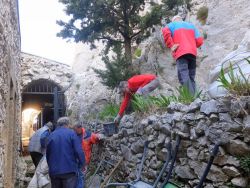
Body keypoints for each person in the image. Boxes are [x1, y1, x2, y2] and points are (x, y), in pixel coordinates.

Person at [162, 15, 204, 95]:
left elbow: (165, 31)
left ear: (174, 20)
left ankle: (191, 98)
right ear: (181, 19)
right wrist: (191, 44)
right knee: (191, 76)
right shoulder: (192, 26)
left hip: (181, 52)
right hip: (192, 54)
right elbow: (199, 41)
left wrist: (171, 45)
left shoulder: (171, 25)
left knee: (184, 75)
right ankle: (195, 97)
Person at [46, 117, 85, 188]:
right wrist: (83, 164)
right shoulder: (71, 134)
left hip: (54, 172)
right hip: (69, 171)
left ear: (58, 124)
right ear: (67, 124)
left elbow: (48, 153)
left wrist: (50, 166)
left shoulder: (51, 135)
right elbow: (79, 151)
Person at [74, 123, 105, 188]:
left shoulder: (87, 134)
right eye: (74, 130)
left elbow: (95, 137)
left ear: (80, 128)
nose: (75, 131)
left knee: (81, 176)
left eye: (76, 130)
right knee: (75, 175)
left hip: (84, 160)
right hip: (75, 160)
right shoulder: (73, 135)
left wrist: (99, 136)